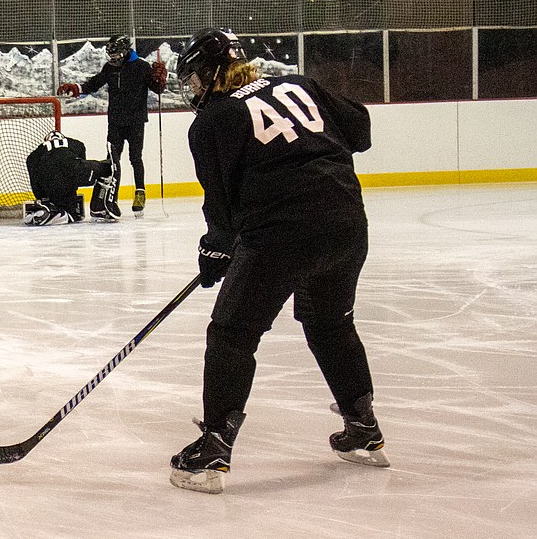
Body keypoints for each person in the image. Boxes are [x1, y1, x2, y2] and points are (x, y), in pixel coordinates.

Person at [169, 27, 388, 494]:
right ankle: (363, 428)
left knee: (231, 334)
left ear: (210, 74)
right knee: (330, 323)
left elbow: (222, 208)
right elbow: (361, 131)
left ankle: (213, 448)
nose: (191, 90)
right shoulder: (302, 84)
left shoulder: (211, 121)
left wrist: (215, 250)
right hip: (347, 222)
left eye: (192, 79)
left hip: (281, 237)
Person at [57, 35, 168, 217]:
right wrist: (77, 88)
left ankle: (140, 192)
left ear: (125, 52)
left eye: (116, 55)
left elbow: (157, 89)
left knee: (135, 158)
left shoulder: (142, 67)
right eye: (111, 55)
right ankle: (109, 197)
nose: (113, 58)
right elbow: (94, 83)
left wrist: (160, 80)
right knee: (112, 161)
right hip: (115, 122)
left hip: (136, 122)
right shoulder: (110, 68)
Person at [23, 130, 117, 225]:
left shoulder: (34, 155)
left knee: (62, 205)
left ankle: (49, 210)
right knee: (105, 170)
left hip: (50, 181)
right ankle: (100, 208)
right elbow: (80, 167)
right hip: (73, 170)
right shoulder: (77, 144)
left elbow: (35, 181)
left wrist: (43, 198)